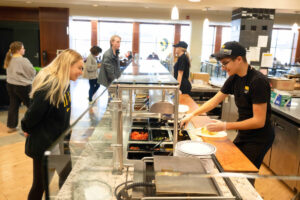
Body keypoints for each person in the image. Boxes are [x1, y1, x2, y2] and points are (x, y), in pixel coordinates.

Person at [181, 41, 275, 177]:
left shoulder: (258, 81)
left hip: (259, 138)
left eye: (225, 63)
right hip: (244, 132)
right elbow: (214, 101)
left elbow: (259, 121)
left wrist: (225, 125)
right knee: (232, 166)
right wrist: (191, 115)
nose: (223, 68)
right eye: (221, 64)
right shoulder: (234, 78)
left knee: (244, 173)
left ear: (239, 59)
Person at [21, 49, 84, 200]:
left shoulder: (65, 82)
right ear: (67, 65)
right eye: (79, 68)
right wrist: (26, 128)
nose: (81, 72)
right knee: (39, 186)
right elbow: (32, 115)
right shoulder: (51, 85)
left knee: (67, 177)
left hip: (59, 141)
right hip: (46, 144)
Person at [3, 41, 36, 133]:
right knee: (32, 106)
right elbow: (32, 72)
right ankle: (34, 125)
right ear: (18, 50)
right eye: (23, 48)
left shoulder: (9, 59)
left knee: (13, 105)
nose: (24, 49)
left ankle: (11, 126)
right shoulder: (23, 60)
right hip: (23, 87)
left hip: (10, 86)